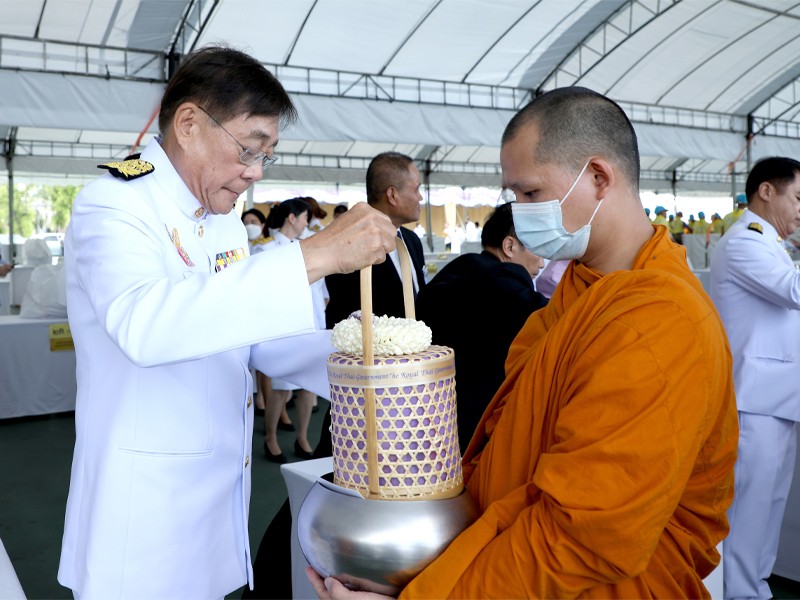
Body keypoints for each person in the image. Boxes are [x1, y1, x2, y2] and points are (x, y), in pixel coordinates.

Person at [309, 86, 738, 599]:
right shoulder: (581, 289)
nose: (520, 211)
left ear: (599, 177)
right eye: (513, 195)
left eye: (531, 193)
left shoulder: (657, 321)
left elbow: (584, 537)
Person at [56, 45, 397, 599]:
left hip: (216, 507)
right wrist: (315, 256)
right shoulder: (113, 205)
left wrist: (361, 357)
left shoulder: (221, 223)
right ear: (189, 124)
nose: (254, 173)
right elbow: (147, 325)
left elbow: (250, 341)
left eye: (267, 156)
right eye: (248, 149)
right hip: (143, 521)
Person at [709, 157, 800, 600]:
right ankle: (742, 593)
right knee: (748, 512)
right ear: (767, 191)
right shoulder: (744, 241)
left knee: (770, 508)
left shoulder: (769, 242)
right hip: (755, 400)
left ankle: (756, 587)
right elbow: (793, 291)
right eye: (798, 197)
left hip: (777, 399)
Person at [416, 202, 547, 452]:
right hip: (478, 426)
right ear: (510, 247)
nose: (541, 264)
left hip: (429, 414)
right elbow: (554, 318)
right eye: (538, 251)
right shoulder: (505, 284)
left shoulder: (459, 270)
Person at [325, 152, 426, 328]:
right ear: (392, 195)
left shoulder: (412, 240)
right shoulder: (349, 243)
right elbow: (343, 318)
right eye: (416, 189)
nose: (420, 197)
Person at [260, 198, 326, 463]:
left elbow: (320, 292)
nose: (306, 223)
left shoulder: (306, 247)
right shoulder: (264, 249)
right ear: (292, 217)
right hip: (283, 328)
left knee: (307, 388)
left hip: (310, 326)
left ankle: (302, 437)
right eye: (304, 217)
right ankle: (270, 438)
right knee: (281, 388)